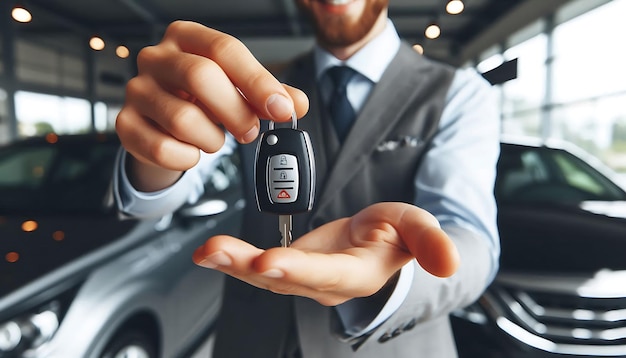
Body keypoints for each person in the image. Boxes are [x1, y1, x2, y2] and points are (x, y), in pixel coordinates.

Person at [112, 0, 501, 357]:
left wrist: (393, 279)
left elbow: (469, 238)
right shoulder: (250, 88)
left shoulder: (459, 93)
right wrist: (157, 149)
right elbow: (160, 196)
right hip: (253, 342)